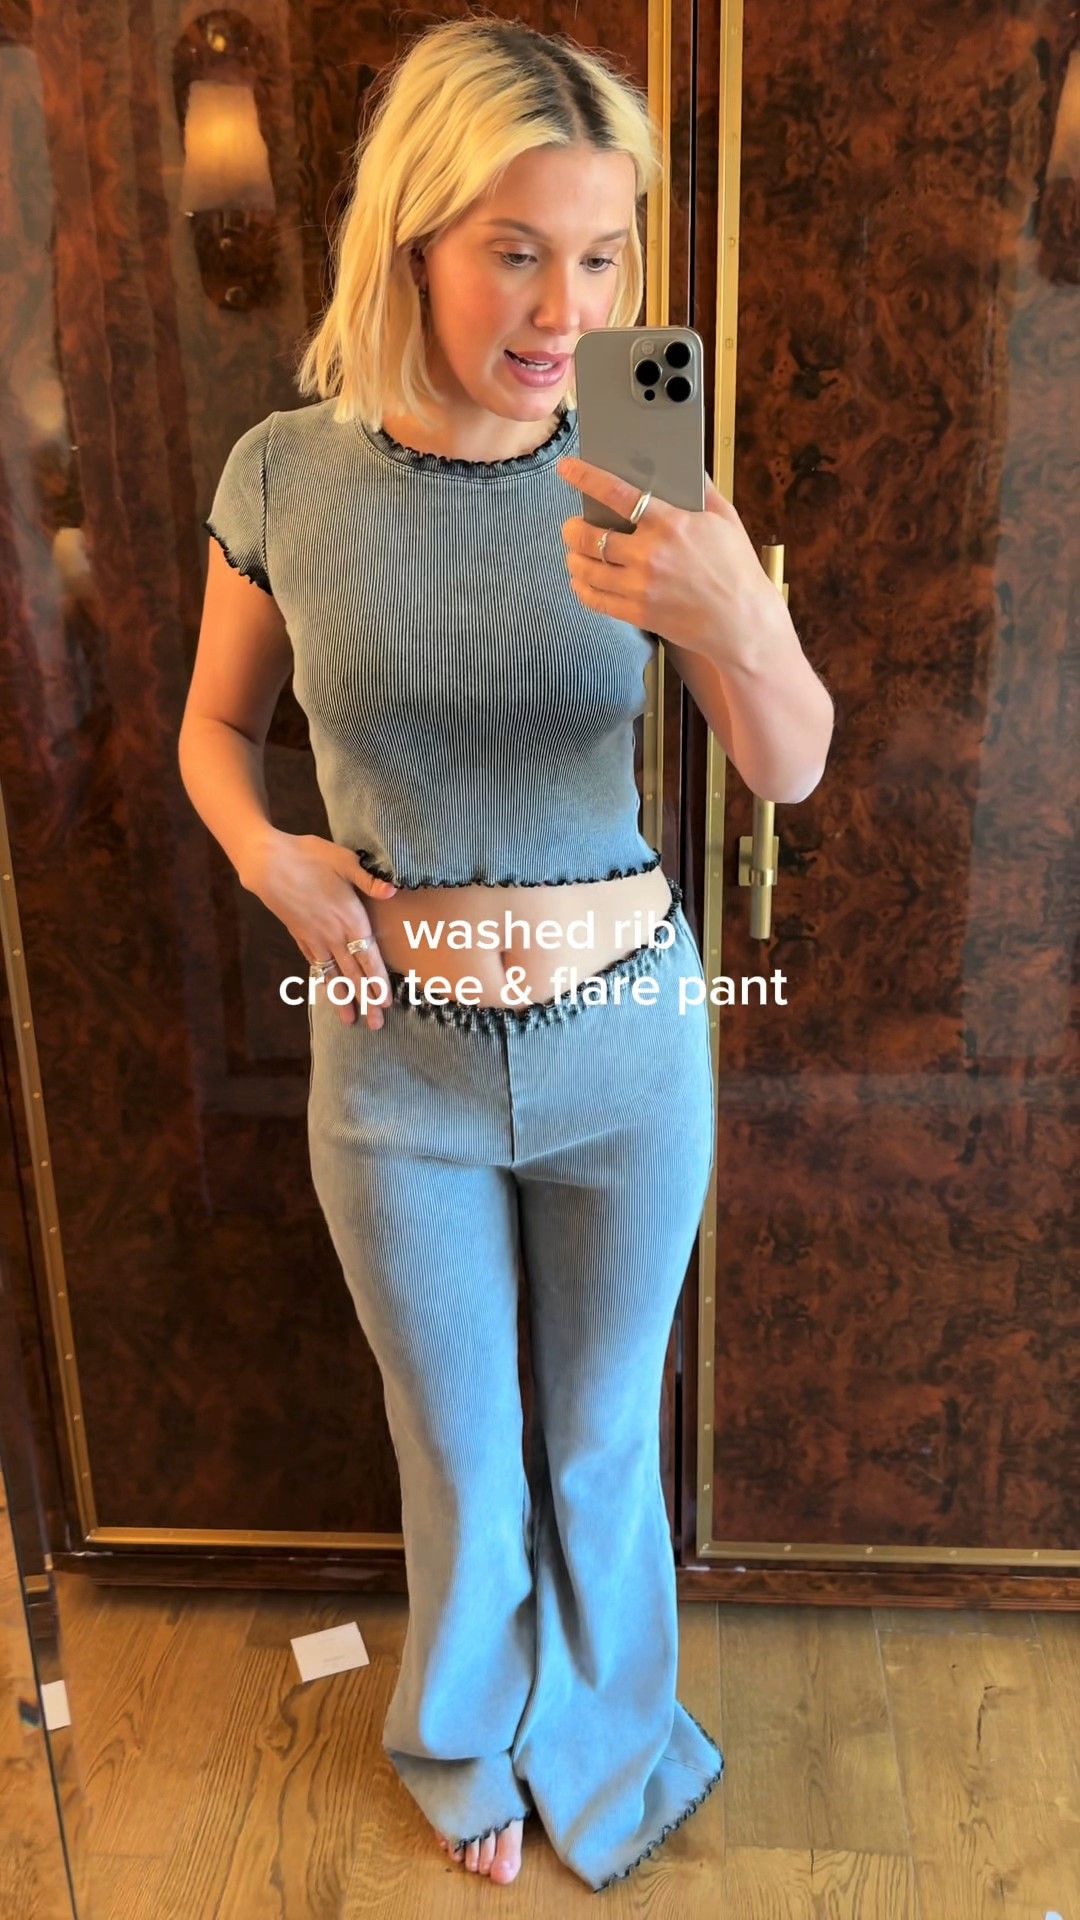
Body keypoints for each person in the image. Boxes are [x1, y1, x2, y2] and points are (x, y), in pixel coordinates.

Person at [180, 13, 731, 1893]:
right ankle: (463, 1734)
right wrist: (268, 857)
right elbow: (214, 730)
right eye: (517, 251)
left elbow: (788, 751)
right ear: (412, 235)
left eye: (604, 256)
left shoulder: (643, 425)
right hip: (393, 1058)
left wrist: (744, 618)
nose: (570, 309)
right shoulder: (284, 472)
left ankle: (614, 1738)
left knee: (599, 1438)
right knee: (461, 1442)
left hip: (627, 1043)